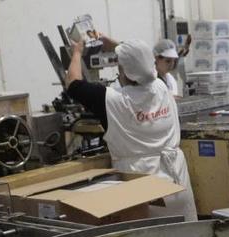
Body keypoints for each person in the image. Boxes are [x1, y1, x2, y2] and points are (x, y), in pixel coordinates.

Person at [65, 39, 198, 221]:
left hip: (144, 188)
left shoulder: (113, 100)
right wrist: (109, 41)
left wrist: (77, 52)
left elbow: (73, 83)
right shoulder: (161, 86)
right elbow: (139, 58)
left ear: (122, 71)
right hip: (177, 180)